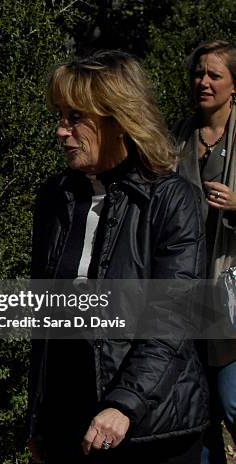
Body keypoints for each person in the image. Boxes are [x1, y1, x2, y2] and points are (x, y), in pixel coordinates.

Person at [27, 50, 209, 463]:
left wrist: (124, 404)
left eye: (75, 118)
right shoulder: (55, 199)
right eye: (60, 116)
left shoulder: (170, 199)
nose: (61, 131)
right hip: (70, 424)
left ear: (117, 119)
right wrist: (38, 416)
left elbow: (173, 318)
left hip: (149, 429)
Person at [173, 40, 236, 464]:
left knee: (233, 402)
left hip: (231, 298)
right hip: (183, 295)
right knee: (198, 414)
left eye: (215, 74)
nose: (204, 82)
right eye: (199, 73)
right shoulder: (178, 137)